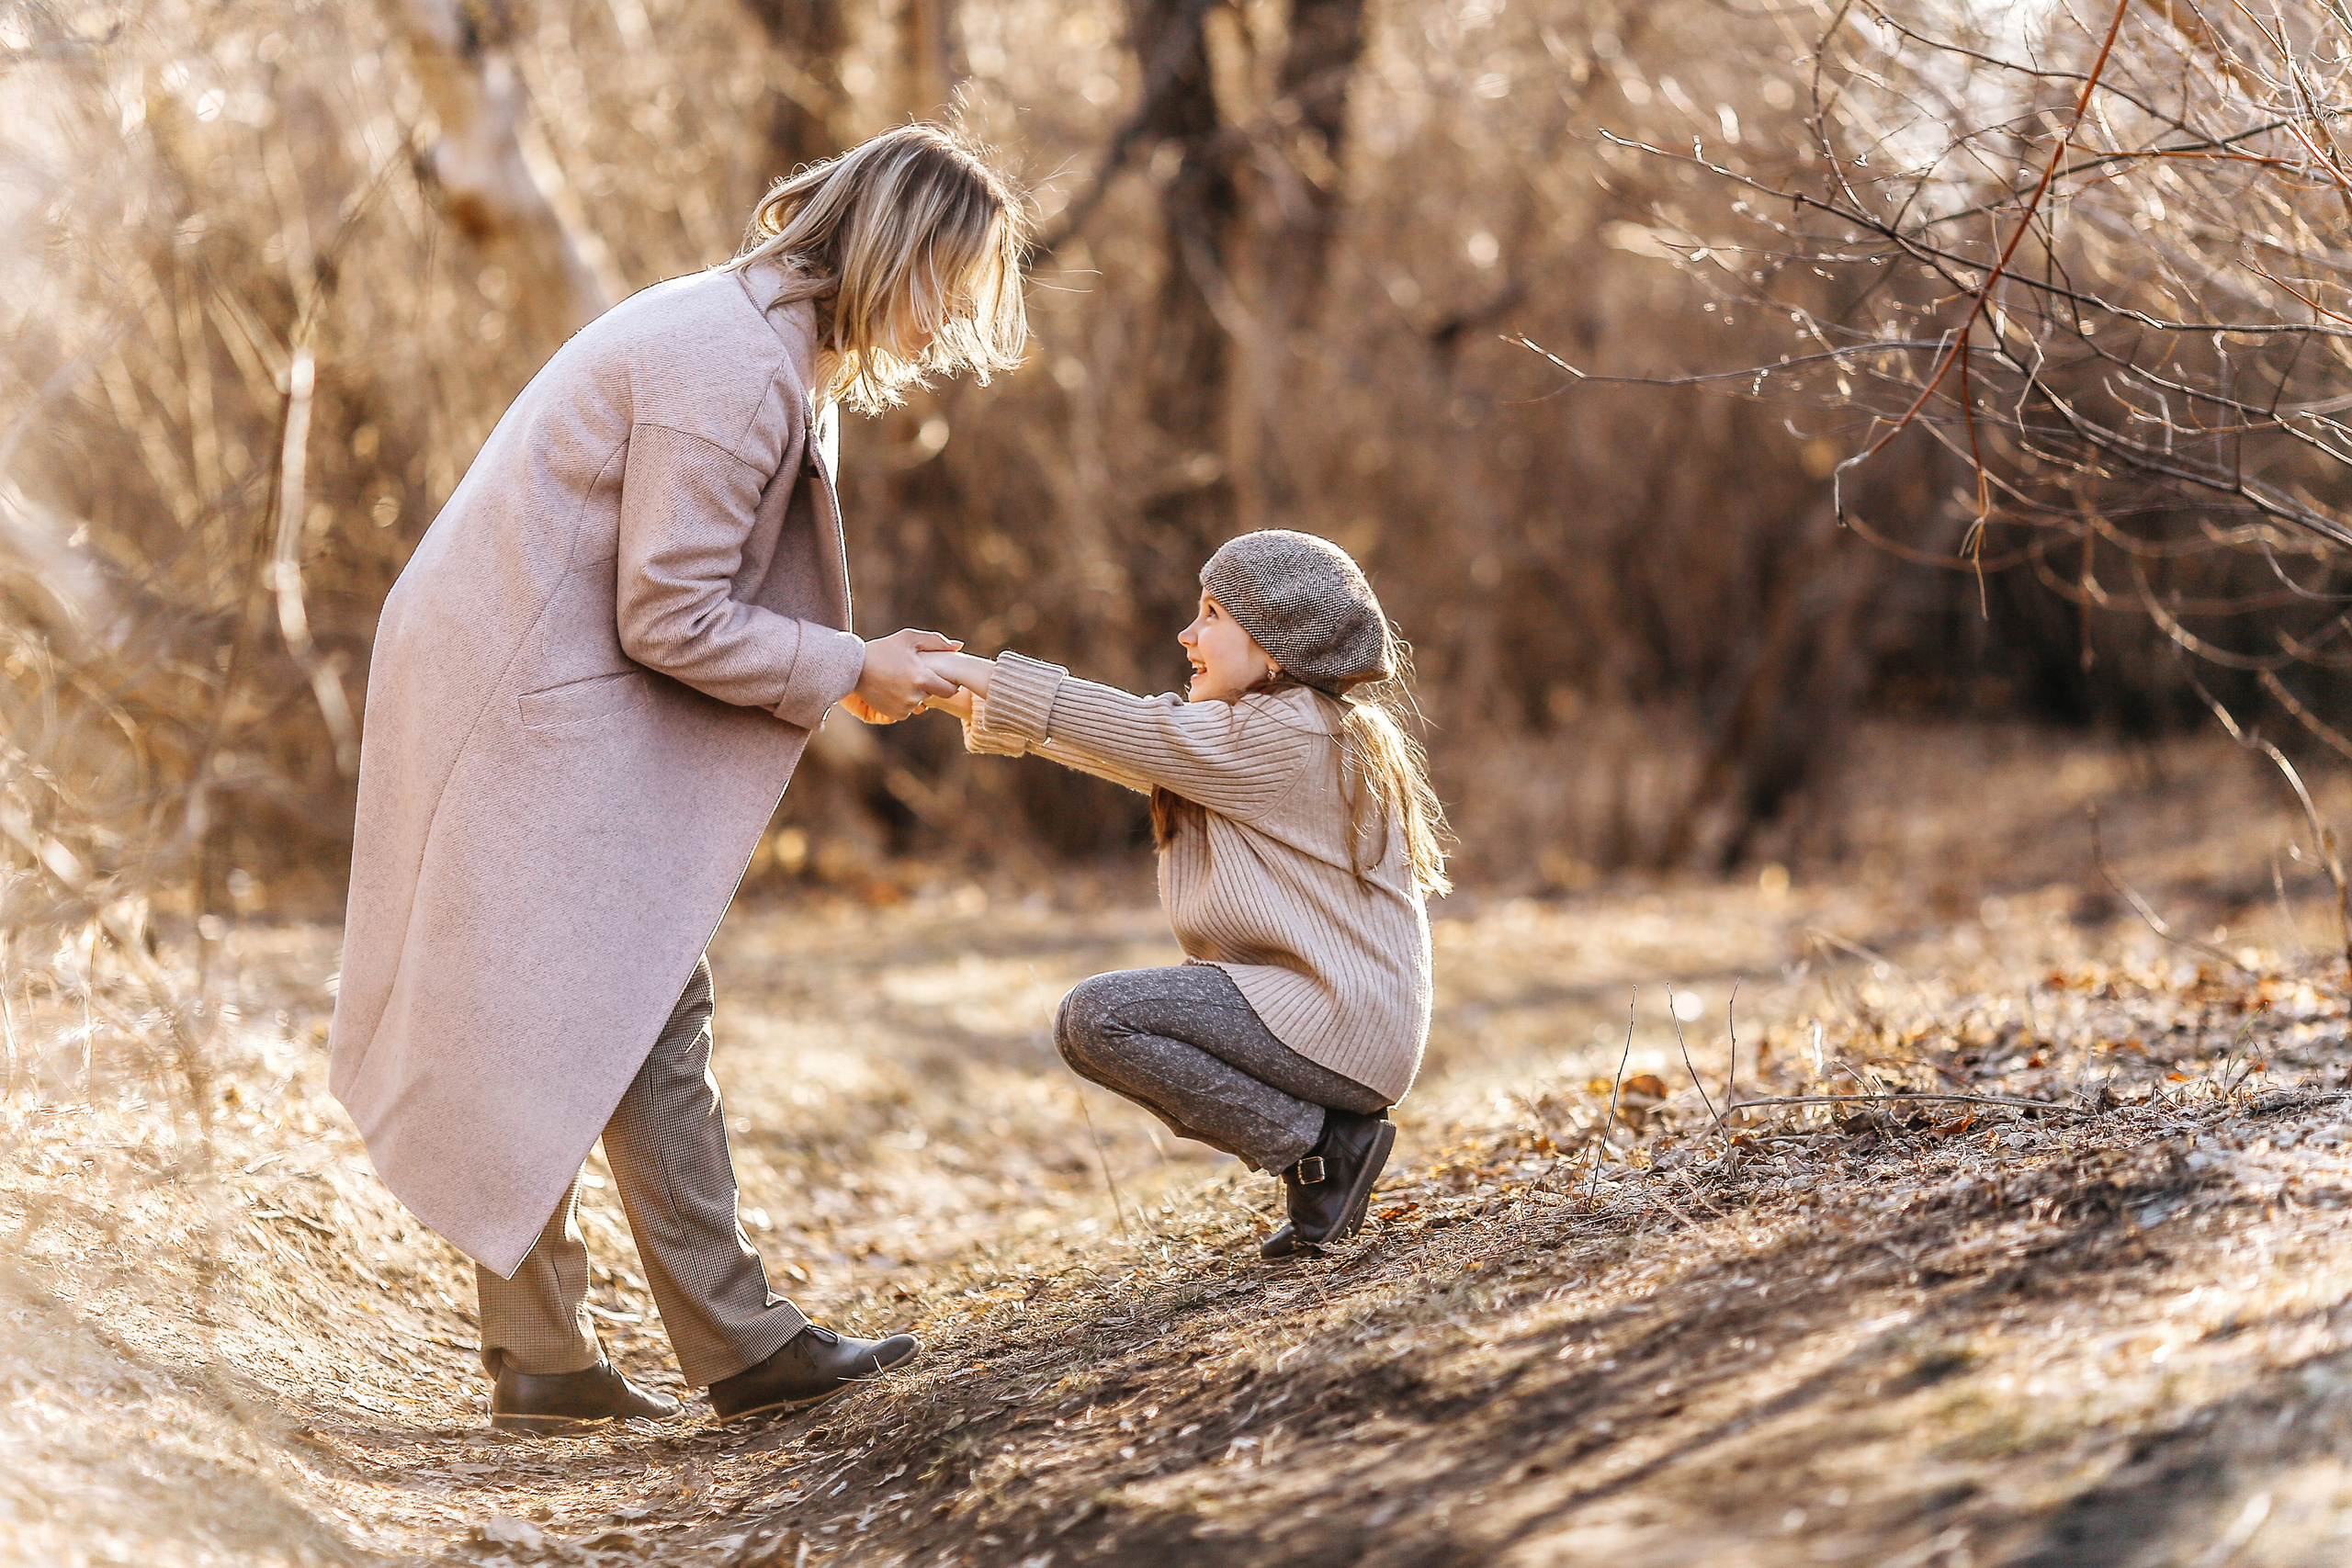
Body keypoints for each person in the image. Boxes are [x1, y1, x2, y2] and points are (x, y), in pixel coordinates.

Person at [326, 125, 1026, 1431]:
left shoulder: (767, 342)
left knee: (572, 997)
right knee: (631, 987)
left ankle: (557, 1351)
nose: (957, 325)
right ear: (891, 251)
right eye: (951, 285)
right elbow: (667, 612)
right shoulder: (731, 364)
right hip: (517, 681)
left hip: (520, 662)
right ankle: (734, 1338)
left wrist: (850, 664)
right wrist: (852, 665)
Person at [923, 530, 1449, 1258]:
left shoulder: (1285, 734)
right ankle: (1324, 1150)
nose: (1187, 632)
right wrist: (954, 696)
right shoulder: (1283, 727)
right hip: (1336, 1021)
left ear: (1274, 647)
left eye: (1212, 614)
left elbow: (1137, 731)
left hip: (1338, 1023)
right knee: (1100, 1017)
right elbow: (1112, 743)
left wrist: (973, 669)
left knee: (1099, 1017)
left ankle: (1325, 1149)